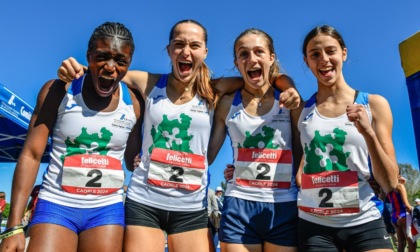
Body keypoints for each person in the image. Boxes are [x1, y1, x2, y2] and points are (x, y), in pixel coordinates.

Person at [57, 19, 300, 252]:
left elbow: (265, 80)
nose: (186, 52)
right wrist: (78, 69)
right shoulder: (151, 82)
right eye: (179, 45)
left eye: (194, 46)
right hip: (145, 201)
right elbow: (109, 72)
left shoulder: (215, 89)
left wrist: (288, 86)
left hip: (191, 207)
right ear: (169, 50)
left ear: (205, 52)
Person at [0, 22, 143, 252]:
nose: (110, 67)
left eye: (120, 61)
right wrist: (13, 226)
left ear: (129, 64)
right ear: (88, 56)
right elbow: (32, 154)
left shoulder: (134, 103)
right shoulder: (58, 91)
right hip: (56, 204)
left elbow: (130, 161)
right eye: (102, 57)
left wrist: (140, 160)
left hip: (106, 209)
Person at [294, 25, 399, 251]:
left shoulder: (374, 104)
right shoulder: (302, 112)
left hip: (365, 220)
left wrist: (368, 133)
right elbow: (300, 168)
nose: (324, 59)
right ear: (307, 61)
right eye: (315, 55)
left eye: (331, 51)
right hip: (314, 224)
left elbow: (390, 182)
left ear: (344, 52)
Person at [207, 28, 300, 252]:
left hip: (283, 204)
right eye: (244, 54)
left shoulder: (290, 100)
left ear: (271, 57)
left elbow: (302, 151)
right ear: (237, 63)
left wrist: (288, 85)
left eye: (259, 51)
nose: (252, 59)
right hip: (239, 203)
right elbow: (207, 156)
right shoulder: (227, 104)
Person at [387, 176, 416, 252]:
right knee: (412, 243)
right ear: (398, 175)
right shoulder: (400, 186)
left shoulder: (387, 188)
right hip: (403, 215)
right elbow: (407, 205)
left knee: (401, 243)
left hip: (394, 217)